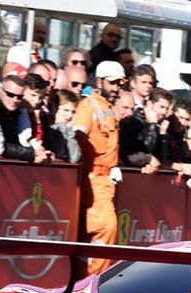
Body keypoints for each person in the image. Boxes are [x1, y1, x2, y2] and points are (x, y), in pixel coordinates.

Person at [73, 61, 126, 274]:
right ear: (99, 81)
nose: (116, 88)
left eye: (119, 83)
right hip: (94, 179)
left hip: (107, 180)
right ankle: (89, 283)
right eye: (112, 83)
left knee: (101, 232)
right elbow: (77, 136)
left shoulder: (106, 106)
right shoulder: (89, 106)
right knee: (105, 227)